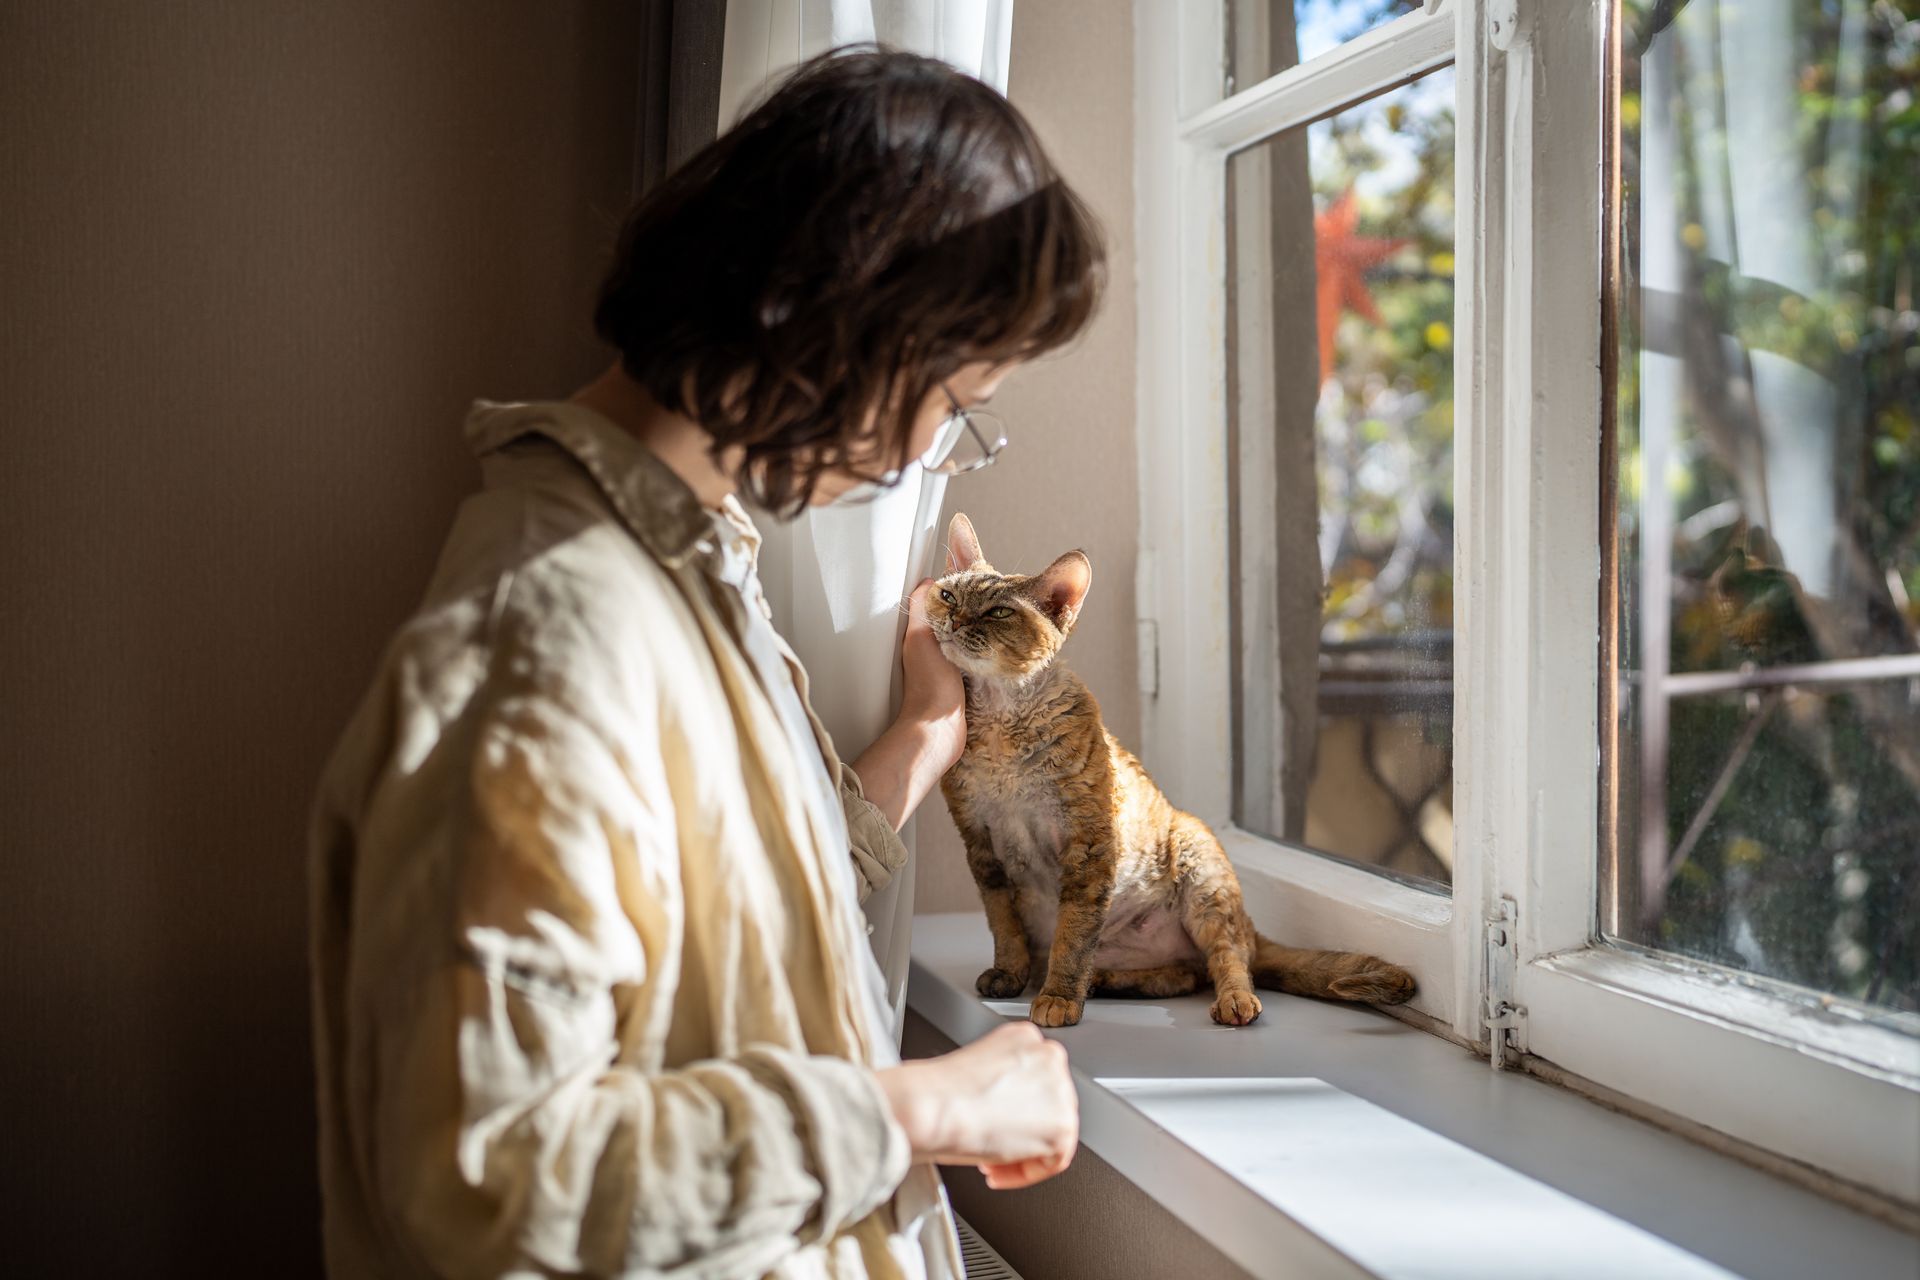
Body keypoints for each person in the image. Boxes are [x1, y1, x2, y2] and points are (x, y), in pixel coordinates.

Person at [307, 47, 1105, 1279]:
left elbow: (714, 911)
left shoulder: (690, 564)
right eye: (955, 400)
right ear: (850, 318)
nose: (937, 450)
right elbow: (494, 1174)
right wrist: (925, 1108)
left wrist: (922, 740)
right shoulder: (550, 638)